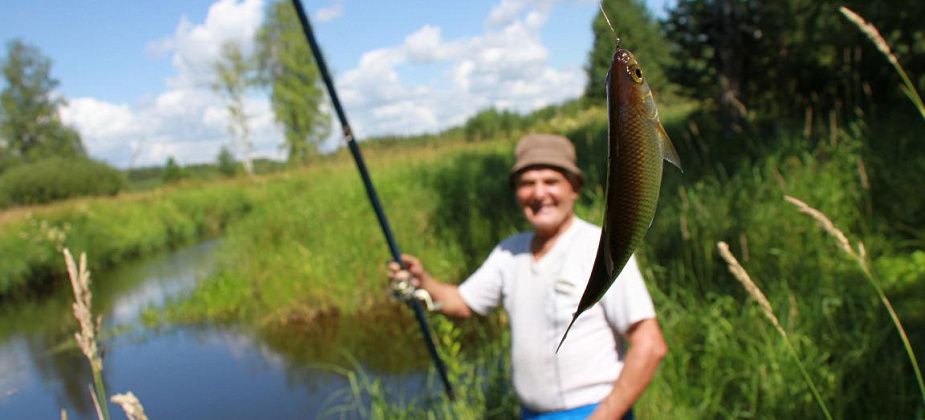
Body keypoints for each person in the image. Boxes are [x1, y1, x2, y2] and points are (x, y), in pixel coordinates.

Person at [387, 133, 667, 419]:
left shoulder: (603, 247)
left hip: (595, 412)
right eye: (527, 183)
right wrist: (423, 283)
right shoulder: (510, 252)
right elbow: (463, 302)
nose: (538, 193)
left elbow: (649, 344)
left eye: (551, 181)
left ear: (574, 188)